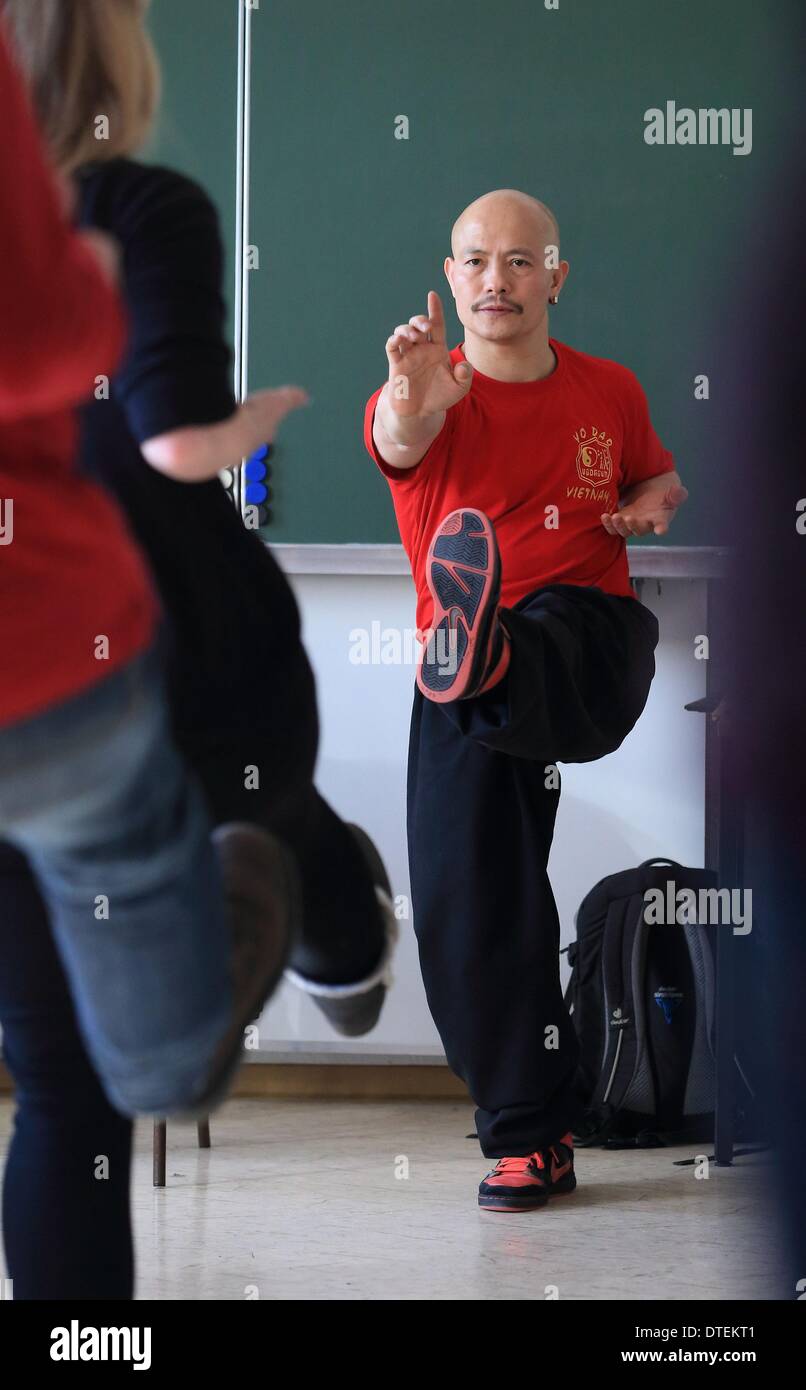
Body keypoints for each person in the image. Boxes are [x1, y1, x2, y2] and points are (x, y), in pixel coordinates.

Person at [0, 0, 394, 1299]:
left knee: (57, 1084)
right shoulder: (140, 204)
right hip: (134, 647)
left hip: (76, 668)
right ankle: (330, 918)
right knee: (255, 804)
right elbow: (171, 435)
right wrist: (250, 422)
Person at [364, 189, 688, 1211]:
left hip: (587, 649)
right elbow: (397, 433)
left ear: (556, 276)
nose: (494, 279)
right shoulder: (430, 391)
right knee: (469, 901)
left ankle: (494, 647)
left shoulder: (611, 389)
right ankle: (528, 1136)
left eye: (517, 260)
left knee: (539, 626)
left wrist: (651, 501)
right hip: (459, 683)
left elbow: (661, 478)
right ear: (450, 276)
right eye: (473, 261)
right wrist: (410, 398)